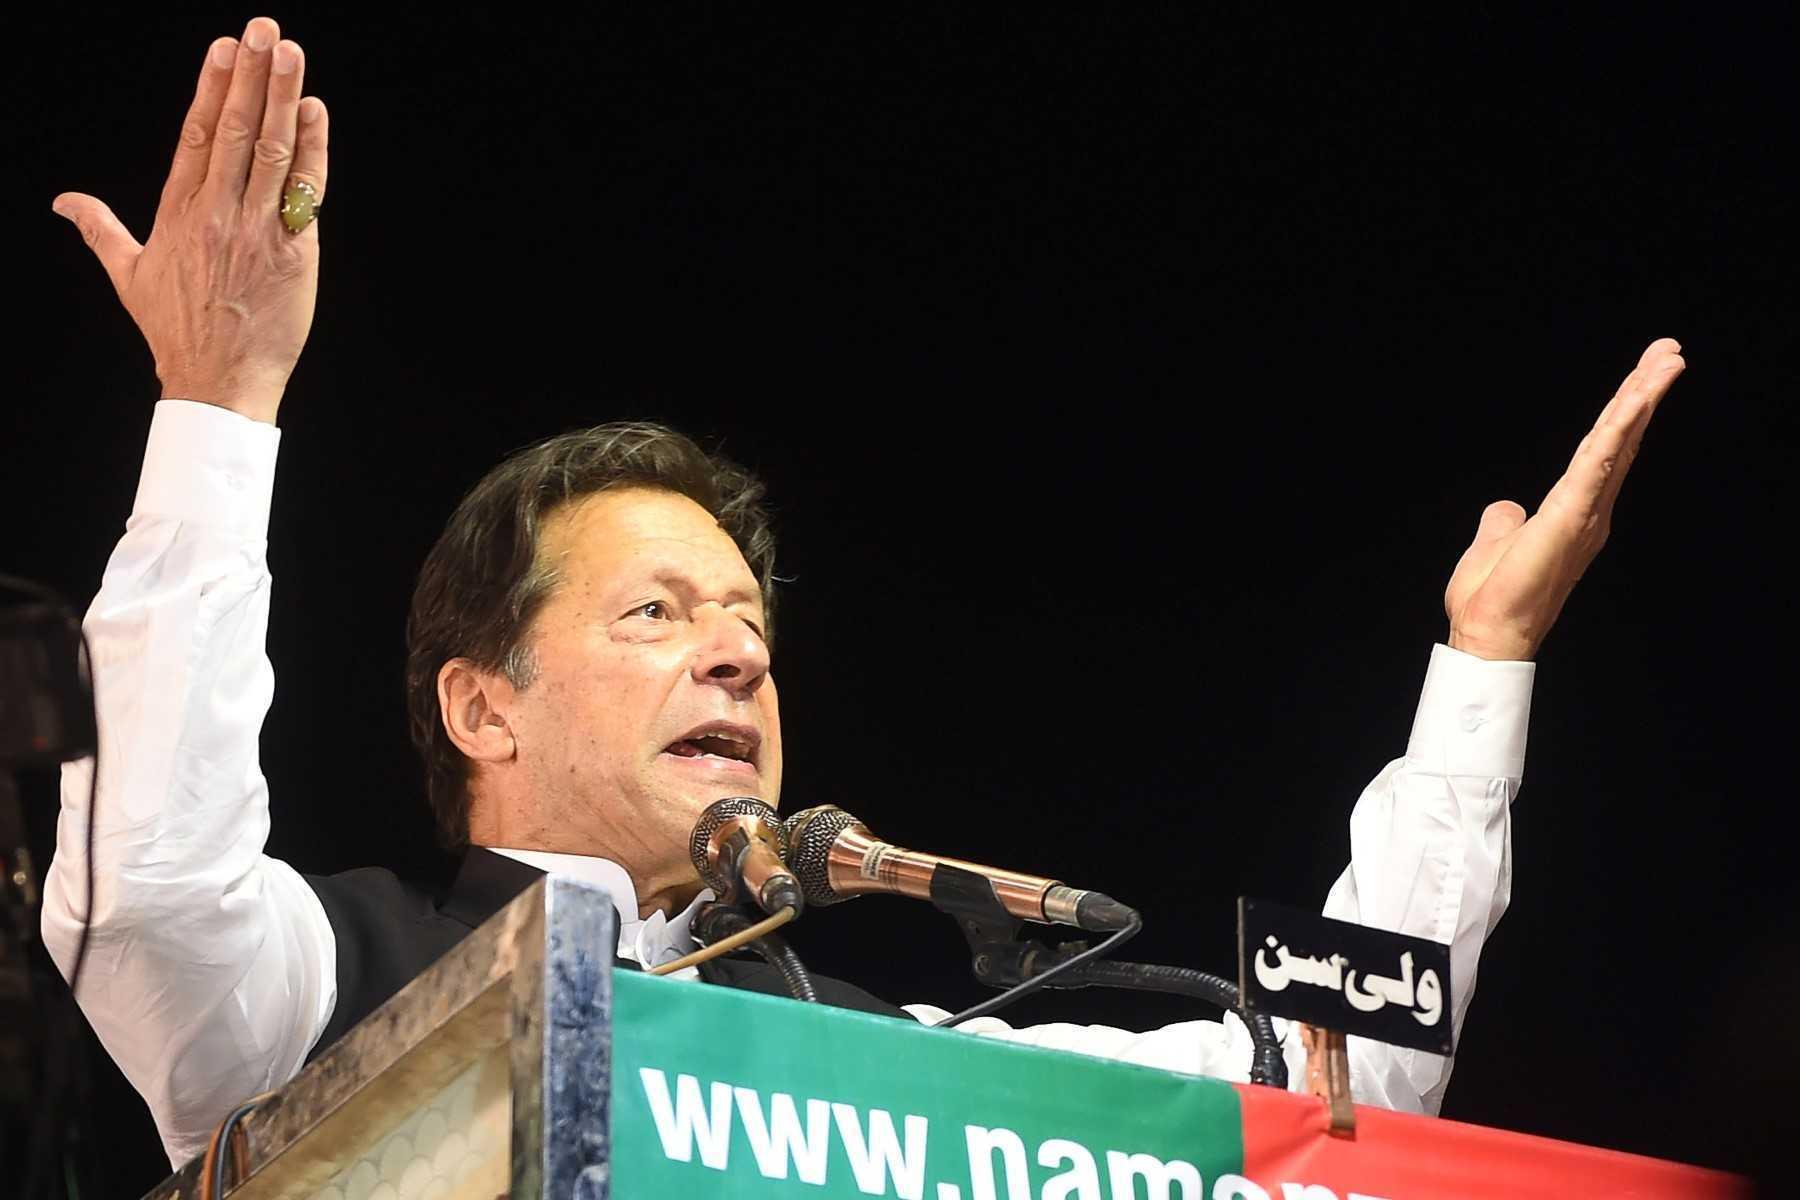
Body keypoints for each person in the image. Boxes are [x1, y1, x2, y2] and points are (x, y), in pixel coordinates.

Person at [38, 16, 1686, 1173]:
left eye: (748, 625)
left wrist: (1484, 663)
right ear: (483, 702)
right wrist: (216, 401)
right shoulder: (325, 982)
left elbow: (1337, 1083)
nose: (739, 655)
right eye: (657, 616)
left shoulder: (873, 1068)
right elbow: (150, 903)